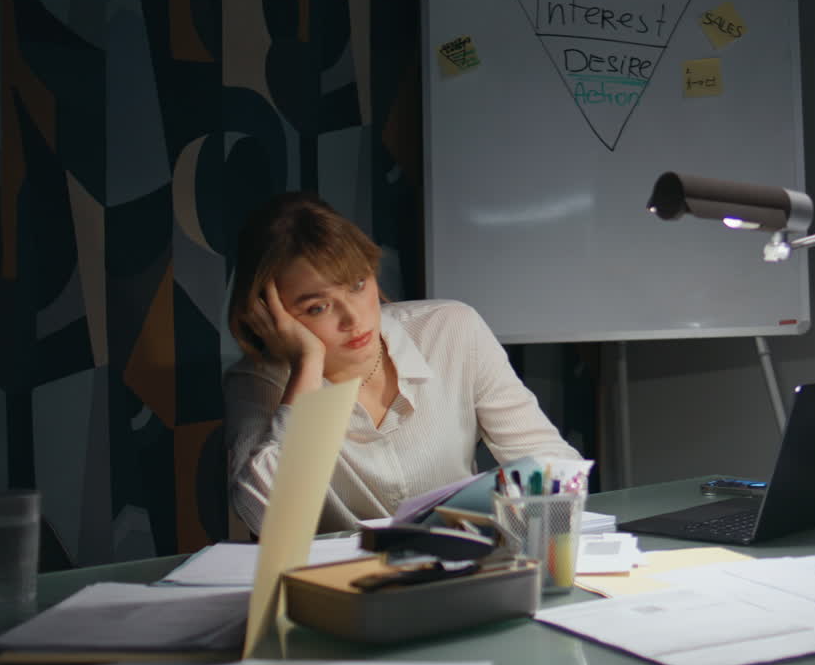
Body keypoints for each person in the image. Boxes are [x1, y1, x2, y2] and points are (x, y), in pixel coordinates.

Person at [224, 192, 581, 534]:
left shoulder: (450, 329)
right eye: (317, 307)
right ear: (269, 315)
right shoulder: (260, 381)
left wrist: (510, 525)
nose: (353, 317)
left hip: (463, 566)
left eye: (358, 284)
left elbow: (553, 463)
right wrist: (308, 364)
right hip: (349, 588)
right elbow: (262, 516)